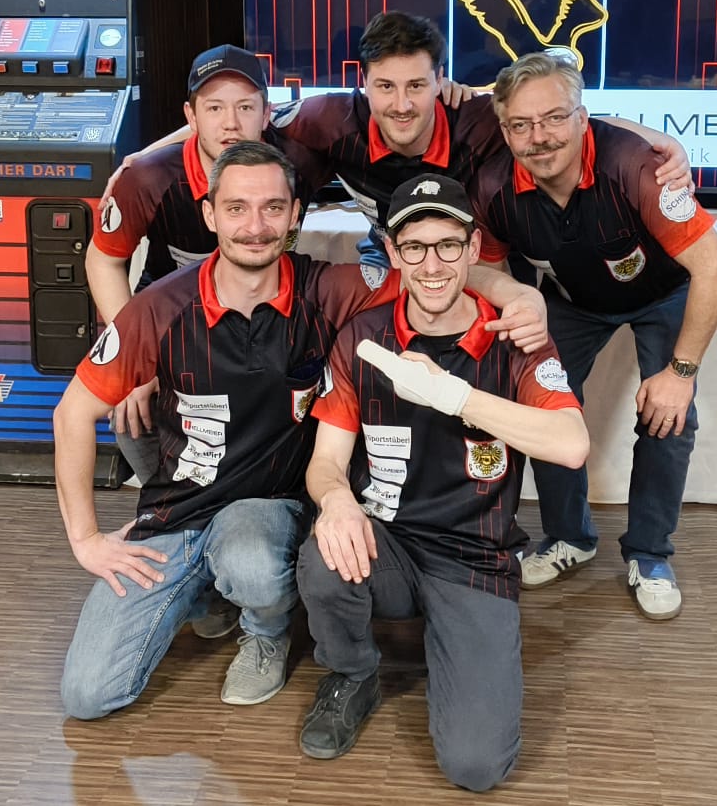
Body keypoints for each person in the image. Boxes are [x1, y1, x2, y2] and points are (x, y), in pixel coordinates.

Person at [52, 141, 552, 720]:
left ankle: (263, 629)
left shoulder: (332, 288)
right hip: (178, 513)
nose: (255, 226)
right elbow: (72, 414)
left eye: (272, 207)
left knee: (249, 557)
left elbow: (434, 271)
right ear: (210, 215)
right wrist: (86, 540)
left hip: (269, 510)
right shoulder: (158, 307)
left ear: (295, 215)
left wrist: (518, 293)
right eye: (236, 208)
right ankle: (206, 594)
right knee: (88, 695)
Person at [296, 173, 587, 791]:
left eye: (448, 245)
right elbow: (325, 463)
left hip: (473, 555)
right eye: (415, 247)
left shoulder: (514, 338)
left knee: (476, 767)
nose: (432, 265)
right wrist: (337, 500)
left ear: (473, 248)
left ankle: (457, 647)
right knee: (323, 554)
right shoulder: (362, 337)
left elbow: (571, 444)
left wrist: (455, 396)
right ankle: (353, 672)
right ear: (394, 252)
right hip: (387, 543)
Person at [470, 51, 717, 620]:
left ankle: (650, 553)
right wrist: (520, 299)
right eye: (522, 125)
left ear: (582, 117)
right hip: (572, 304)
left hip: (663, 294)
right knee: (543, 403)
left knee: (669, 414)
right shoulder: (492, 185)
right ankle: (570, 537)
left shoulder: (638, 167)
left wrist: (681, 373)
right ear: (505, 131)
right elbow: (483, 269)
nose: (540, 137)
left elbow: (716, 269)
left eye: (553, 118)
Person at [268, 12, 695, 265]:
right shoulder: (328, 118)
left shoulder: (479, 119)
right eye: (385, 87)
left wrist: (661, 141)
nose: (401, 104)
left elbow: (570, 122)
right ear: (364, 83)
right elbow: (251, 121)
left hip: (472, 258)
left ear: (440, 80)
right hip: (389, 252)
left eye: (416, 85)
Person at [86, 44, 279, 483]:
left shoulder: (295, 154)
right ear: (191, 116)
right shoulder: (147, 178)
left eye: (245, 107)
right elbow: (102, 262)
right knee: (128, 396)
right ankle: (167, 504)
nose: (231, 123)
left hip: (262, 309)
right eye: (214, 108)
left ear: (266, 114)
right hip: (171, 311)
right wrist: (134, 355)